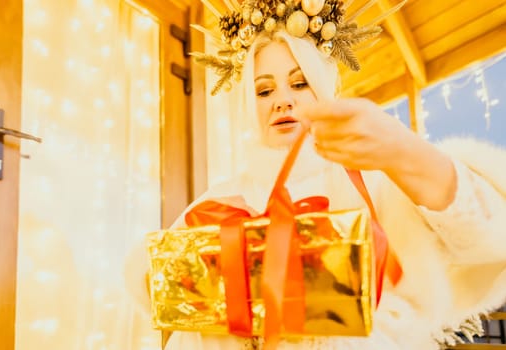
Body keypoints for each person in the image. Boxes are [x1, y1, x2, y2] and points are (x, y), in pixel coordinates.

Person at [124, 1, 506, 349]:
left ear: (322, 89)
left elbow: (492, 234)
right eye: (264, 90)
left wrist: (402, 151)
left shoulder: (376, 178)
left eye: (300, 82)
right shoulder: (221, 201)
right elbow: (153, 281)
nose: (282, 100)